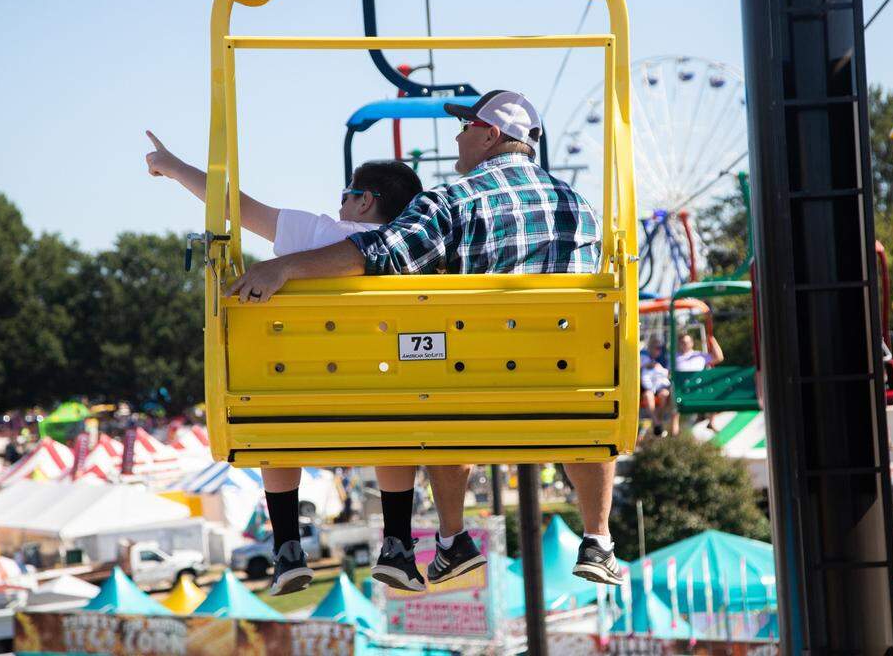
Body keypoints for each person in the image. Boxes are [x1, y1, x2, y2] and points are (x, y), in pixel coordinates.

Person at [223, 90, 623, 586]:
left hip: (473, 390)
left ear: (490, 134)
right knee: (585, 396)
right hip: (569, 391)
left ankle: (453, 537)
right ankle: (598, 538)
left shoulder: (453, 200)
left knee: (440, 372)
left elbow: (380, 253)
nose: (456, 136)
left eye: (464, 127)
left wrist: (284, 266)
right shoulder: (579, 206)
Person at [144, 131, 424, 595]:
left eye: (345, 196)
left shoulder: (319, 235)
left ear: (364, 202)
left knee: (272, 419)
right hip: (381, 395)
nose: (339, 207)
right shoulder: (410, 251)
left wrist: (171, 166)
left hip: (298, 396)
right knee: (393, 426)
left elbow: (235, 207)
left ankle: (288, 548)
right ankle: (396, 542)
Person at [639, 336, 671, 436]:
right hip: (647, 388)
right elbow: (639, 366)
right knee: (648, 396)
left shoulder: (665, 359)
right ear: (649, 348)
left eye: (659, 348)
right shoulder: (643, 357)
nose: (658, 350)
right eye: (655, 347)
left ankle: (657, 421)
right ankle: (657, 423)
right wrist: (647, 365)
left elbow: (668, 373)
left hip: (661, 388)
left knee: (665, 395)